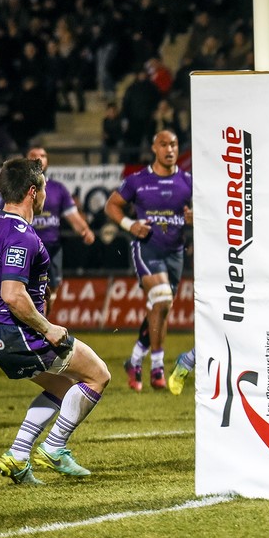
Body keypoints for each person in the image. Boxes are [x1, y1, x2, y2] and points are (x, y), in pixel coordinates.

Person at [0, 157, 111, 485]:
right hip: (21, 333)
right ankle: (55, 447)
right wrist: (47, 327)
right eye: (45, 185)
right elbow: (12, 294)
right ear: (33, 192)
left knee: (63, 388)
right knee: (97, 376)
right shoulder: (23, 235)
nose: (48, 191)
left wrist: (12, 286)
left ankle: (19, 456)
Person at [105, 130, 193, 392]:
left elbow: (200, 212)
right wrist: (130, 225)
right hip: (147, 249)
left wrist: (192, 217)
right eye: (164, 144)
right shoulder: (138, 180)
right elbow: (112, 205)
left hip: (175, 252)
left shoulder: (188, 181)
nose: (170, 149)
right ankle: (157, 367)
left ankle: (133, 361)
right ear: (154, 148)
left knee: (161, 308)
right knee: (163, 299)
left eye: (174, 144)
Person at [25, 146, 95, 315]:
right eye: (34, 156)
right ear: (26, 160)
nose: (39, 159)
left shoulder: (58, 188)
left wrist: (85, 230)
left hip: (52, 248)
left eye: (43, 155)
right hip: (26, 246)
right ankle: (34, 330)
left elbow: (72, 215)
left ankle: (42, 326)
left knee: (51, 291)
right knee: (28, 290)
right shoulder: (18, 187)